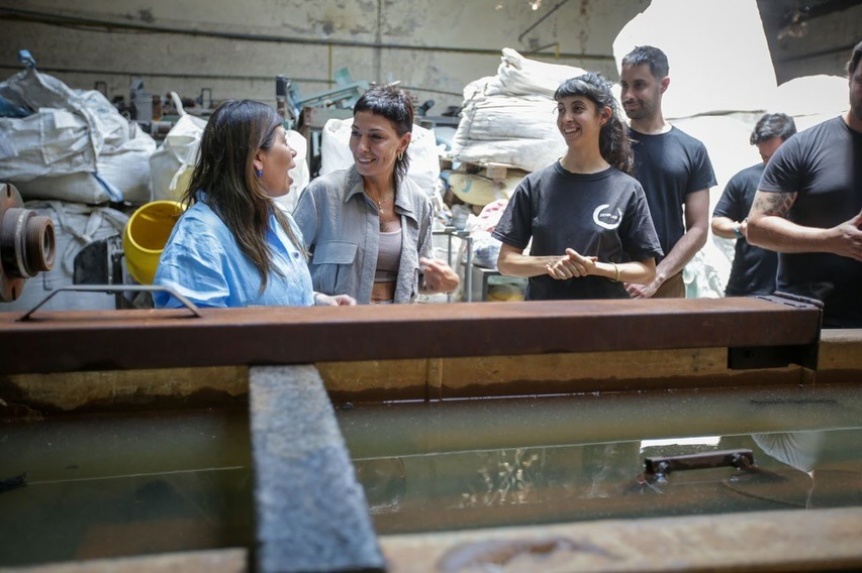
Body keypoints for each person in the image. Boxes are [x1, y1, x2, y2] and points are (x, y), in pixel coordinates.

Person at [153, 99, 355, 308]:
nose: (293, 152)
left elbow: (272, 295)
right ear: (258, 157)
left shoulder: (279, 218)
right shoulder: (199, 239)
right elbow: (199, 334)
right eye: (284, 141)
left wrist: (317, 301)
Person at [491, 72, 663, 300]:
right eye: (561, 109)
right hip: (544, 320)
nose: (566, 118)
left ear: (603, 116)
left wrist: (596, 268)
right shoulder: (534, 186)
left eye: (578, 108)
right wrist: (552, 263)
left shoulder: (627, 190)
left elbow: (646, 271)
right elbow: (506, 263)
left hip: (604, 322)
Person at [294, 85, 459, 304]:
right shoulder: (323, 195)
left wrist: (444, 283)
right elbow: (285, 270)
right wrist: (318, 300)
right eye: (356, 133)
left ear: (403, 143)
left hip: (394, 329)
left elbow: (417, 281)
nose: (361, 147)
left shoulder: (418, 204)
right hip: (336, 330)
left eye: (375, 137)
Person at [747, 40, 862, 328]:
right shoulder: (804, 148)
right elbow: (757, 228)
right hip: (814, 325)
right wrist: (830, 240)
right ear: (849, 77)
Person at [620, 45, 717, 298]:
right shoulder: (606, 144)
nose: (628, 94)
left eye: (639, 85)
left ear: (663, 85)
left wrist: (656, 276)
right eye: (624, 85)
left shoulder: (691, 149)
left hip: (666, 285)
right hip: (610, 280)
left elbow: (698, 228)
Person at [711, 113, 797, 296]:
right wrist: (739, 229)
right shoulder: (743, 180)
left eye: (775, 156)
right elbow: (717, 222)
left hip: (800, 290)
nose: (769, 163)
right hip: (747, 288)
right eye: (763, 156)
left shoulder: (812, 180)